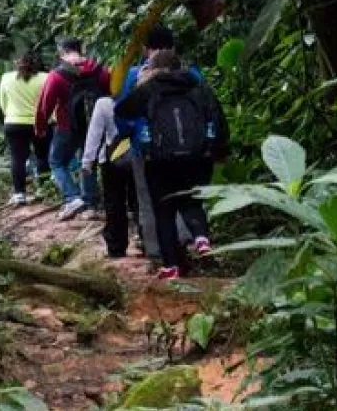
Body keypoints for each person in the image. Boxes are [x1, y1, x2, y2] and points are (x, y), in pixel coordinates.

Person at [116, 49, 229, 281]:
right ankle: (201, 237)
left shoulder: (149, 89)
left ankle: (171, 266)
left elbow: (122, 112)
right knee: (192, 200)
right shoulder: (198, 87)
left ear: (153, 68)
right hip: (197, 156)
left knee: (164, 211)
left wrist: (141, 83)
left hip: (159, 160)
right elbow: (218, 119)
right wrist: (218, 150)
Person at [115, 25, 204, 260]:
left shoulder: (136, 76)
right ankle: (187, 241)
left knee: (149, 200)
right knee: (187, 195)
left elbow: (124, 115)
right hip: (190, 147)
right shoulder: (191, 74)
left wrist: (130, 136)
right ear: (173, 47)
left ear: (146, 49)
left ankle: (157, 252)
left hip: (148, 149)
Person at [35, 38, 110, 220]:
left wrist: (41, 127)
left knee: (56, 161)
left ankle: (73, 197)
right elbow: (109, 91)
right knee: (88, 160)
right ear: (80, 49)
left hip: (67, 126)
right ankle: (91, 204)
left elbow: (46, 105)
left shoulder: (57, 74)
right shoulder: (99, 69)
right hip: (94, 125)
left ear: (62, 51)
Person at [82, 95, 138, 258]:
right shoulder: (143, 97)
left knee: (114, 203)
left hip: (112, 158)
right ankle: (146, 240)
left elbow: (95, 133)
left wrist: (88, 160)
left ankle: (116, 247)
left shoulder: (104, 103)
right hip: (138, 156)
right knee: (139, 201)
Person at [0, 52, 51, 205]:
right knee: (42, 156)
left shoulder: (6, 78)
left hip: (13, 123)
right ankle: (43, 189)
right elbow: (49, 100)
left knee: (18, 158)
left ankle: (19, 194)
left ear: (17, 63)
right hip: (39, 122)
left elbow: (3, 102)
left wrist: (10, 115)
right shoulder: (46, 78)